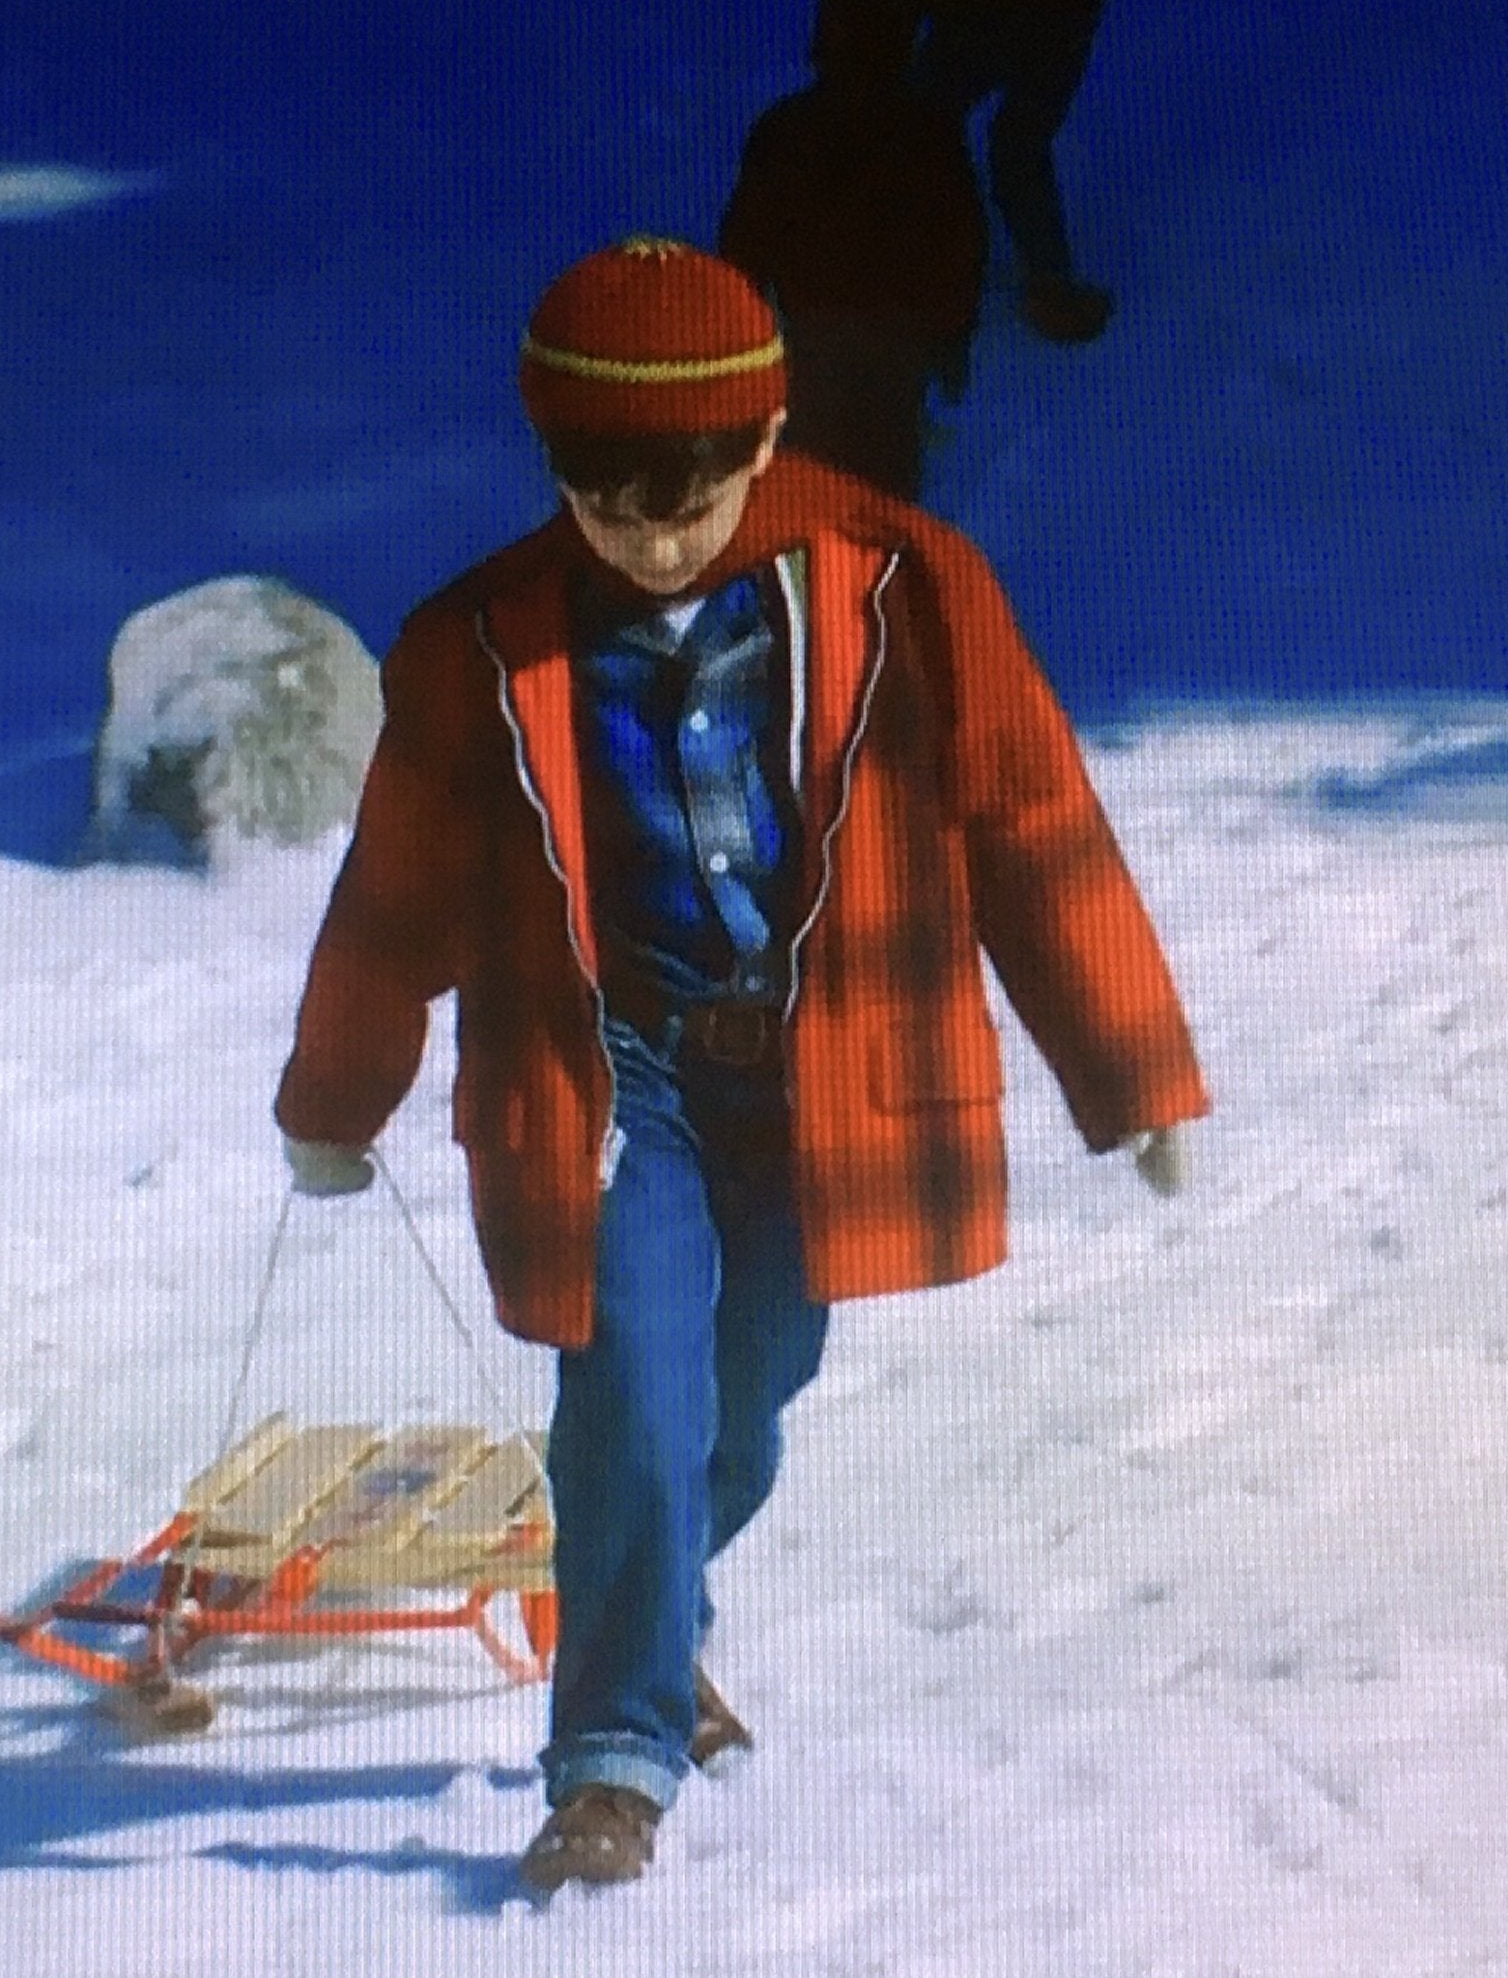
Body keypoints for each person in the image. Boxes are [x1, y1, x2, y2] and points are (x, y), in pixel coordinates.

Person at [274, 237, 1208, 1895]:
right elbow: (400, 888)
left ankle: (653, 1590)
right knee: (632, 1374)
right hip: (608, 1075)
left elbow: (1029, 818)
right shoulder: (478, 643)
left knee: (748, 1381)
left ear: (763, 444)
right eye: (607, 504)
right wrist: (336, 1098)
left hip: (825, 1064)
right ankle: (613, 1754)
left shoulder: (903, 582)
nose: (648, 538)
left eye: (686, 502)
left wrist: (1128, 1064)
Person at [719, 0, 987, 498]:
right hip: (900, 339)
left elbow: (745, 240)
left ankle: (810, 570)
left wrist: (738, 334)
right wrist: (954, 337)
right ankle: (887, 569)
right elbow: (960, 241)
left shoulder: (785, 128)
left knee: (807, 481)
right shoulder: (930, 132)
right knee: (888, 482)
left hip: (813, 334)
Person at [881, 0, 1121, 343]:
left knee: (929, 125)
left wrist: (894, 23)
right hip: (1055, 25)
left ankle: (930, 266)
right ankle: (1049, 286)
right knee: (1018, 145)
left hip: (988, 24)